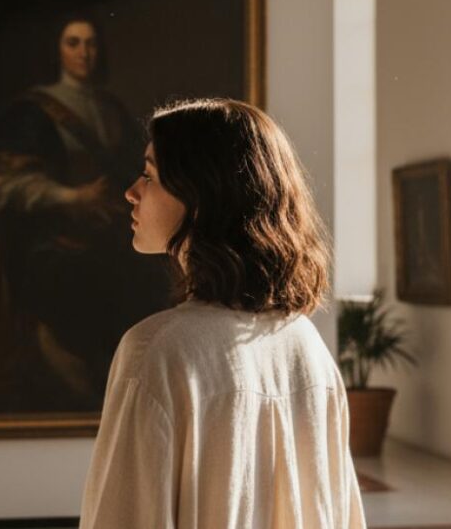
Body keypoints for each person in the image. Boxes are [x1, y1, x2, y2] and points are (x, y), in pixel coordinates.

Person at [79, 98, 367, 528]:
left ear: (201, 196)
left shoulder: (157, 351)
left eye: (150, 175)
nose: (132, 192)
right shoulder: (307, 346)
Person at [0, 15, 168, 412]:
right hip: (51, 242)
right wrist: (71, 197)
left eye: (91, 43)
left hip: (112, 239)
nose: (84, 52)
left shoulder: (112, 110)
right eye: (73, 42)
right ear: (57, 50)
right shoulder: (33, 111)